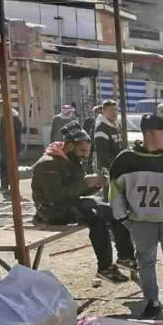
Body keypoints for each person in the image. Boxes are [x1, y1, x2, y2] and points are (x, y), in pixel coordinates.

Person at [110, 114, 163, 320]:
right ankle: (152, 302)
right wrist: (124, 219)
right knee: (145, 263)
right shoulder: (125, 160)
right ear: (148, 134)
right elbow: (115, 193)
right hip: (140, 223)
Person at [31, 121, 134, 283]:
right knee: (95, 216)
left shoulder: (71, 159)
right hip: (51, 210)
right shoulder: (48, 164)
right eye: (82, 151)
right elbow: (56, 196)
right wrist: (86, 183)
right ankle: (105, 267)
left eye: (87, 151)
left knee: (114, 210)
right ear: (70, 145)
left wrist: (95, 184)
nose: (85, 155)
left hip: (69, 203)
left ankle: (126, 257)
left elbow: (78, 191)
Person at [93, 99, 122, 199]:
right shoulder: (101, 127)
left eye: (115, 110)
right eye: (111, 110)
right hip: (107, 166)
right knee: (109, 193)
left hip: (118, 164)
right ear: (104, 112)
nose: (114, 113)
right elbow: (102, 151)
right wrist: (114, 165)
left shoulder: (117, 124)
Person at [0, 100, 23, 194]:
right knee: (5, 166)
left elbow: (5, 132)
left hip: (10, 146)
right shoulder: (13, 118)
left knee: (10, 167)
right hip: (9, 146)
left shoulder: (9, 118)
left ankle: (13, 188)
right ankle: (5, 185)